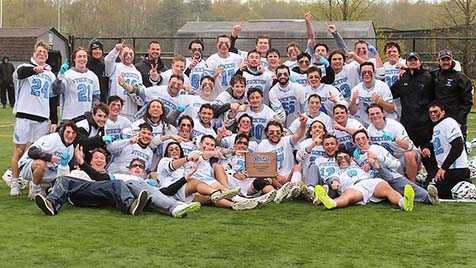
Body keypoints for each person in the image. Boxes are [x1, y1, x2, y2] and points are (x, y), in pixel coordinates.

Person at [34, 147, 149, 216]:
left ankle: (131, 206)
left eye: (102, 158)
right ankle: (51, 204)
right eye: (96, 158)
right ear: (91, 162)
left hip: (101, 197)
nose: (99, 160)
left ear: (105, 163)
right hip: (80, 196)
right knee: (64, 179)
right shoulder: (80, 172)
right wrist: (63, 165)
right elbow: (62, 180)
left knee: (118, 183)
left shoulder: (109, 176)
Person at [10, 40, 57, 196]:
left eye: (44, 52)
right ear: (33, 54)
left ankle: (35, 185)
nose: (42, 54)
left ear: (47, 56)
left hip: (42, 119)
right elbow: (20, 74)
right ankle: (15, 182)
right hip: (24, 116)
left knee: (38, 153)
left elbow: (52, 100)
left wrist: (54, 121)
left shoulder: (50, 75)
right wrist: (35, 70)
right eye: (39, 52)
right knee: (19, 151)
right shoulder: (24, 67)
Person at [158, 141, 260, 210]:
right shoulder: (164, 161)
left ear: (180, 151)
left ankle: (236, 205)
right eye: (171, 149)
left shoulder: (185, 166)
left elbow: (203, 156)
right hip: (170, 191)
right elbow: (172, 165)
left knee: (209, 198)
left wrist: (231, 152)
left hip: (182, 194)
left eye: (176, 149)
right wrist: (187, 159)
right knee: (194, 182)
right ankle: (235, 198)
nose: (174, 151)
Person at [314, 148, 415, 212]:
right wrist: (334, 182)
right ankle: (332, 203)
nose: (343, 159)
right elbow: (331, 180)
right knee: (348, 196)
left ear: (352, 159)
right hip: (353, 187)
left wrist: (372, 165)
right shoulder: (334, 173)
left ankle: (403, 203)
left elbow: (383, 175)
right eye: (339, 158)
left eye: (346, 157)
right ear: (336, 161)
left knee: (386, 188)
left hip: (368, 181)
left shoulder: (359, 167)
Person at [422, 101, 471, 198]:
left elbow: (458, 146)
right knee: (427, 187)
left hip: (455, 168)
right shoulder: (437, 127)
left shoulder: (448, 122)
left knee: (432, 191)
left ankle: (465, 184)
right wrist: (426, 148)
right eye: (431, 112)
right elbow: (434, 142)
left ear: (443, 112)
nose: (433, 114)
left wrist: (444, 168)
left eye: (435, 111)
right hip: (446, 169)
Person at [18, 121, 77, 199]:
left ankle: (44, 186)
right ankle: (35, 190)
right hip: (27, 166)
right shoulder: (52, 139)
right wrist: (49, 157)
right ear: (63, 131)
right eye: (68, 132)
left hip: (50, 172)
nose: (70, 135)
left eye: (73, 133)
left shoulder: (71, 148)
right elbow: (31, 152)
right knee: (41, 164)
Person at [390, 52, 434, 149]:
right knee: (409, 155)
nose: (413, 62)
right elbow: (391, 93)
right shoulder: (403, 77)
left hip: (424, 125)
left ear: (420, 62)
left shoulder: (428, 77)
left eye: (415, 60)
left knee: (428, 156)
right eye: (410, 60)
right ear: (406, 62)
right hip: (407, 124)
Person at [366, 104, 420, 182]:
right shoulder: (370, 130)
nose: (375, 116)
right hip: (388, 159)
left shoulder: (395, 125)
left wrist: (394, 139)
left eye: (377, 113)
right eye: (372, 114)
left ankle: (413, 184)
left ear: (383, 113)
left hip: (402, 156)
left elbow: (410, 146)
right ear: (368, 116)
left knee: (409, 155)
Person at [431, 49, 473, 141]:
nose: (446, 62)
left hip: (455, 120)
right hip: (439, 119)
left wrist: (459, 120)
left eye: (448, 60)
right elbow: (420, 74)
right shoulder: (434, 75)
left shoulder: (460, 78)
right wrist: (404, 70)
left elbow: (468, 102)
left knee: (457, 148)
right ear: (438, 61)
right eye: (443, 60)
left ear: (452, 61)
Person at [53, 47, 100, 122]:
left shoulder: (93, 76)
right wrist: (60, 75)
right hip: (69, 117)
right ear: (74, 59)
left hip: (86, 118)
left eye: (84, 56)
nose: (82, 59)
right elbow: (56, 90)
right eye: (79, 56)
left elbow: (96, 98)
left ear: (87, 59)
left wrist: (93, 113)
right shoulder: (67, 74)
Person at [104, 41, 143, 121]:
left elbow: (140, 93)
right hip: (116, 111)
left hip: (132, 112)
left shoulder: (137, 73)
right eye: (125, 54)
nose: (128, 56)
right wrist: (116, 50)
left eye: (131, 54)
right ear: (120, 55)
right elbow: (108, 60)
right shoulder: (115, 67)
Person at [349, 62, 396, 127]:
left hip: (384, 122)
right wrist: (354, 100)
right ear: (360, 74)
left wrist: (379, 101)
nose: (367, 74)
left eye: (369, 72)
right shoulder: (356, 89)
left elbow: (391, 109)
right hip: (366, 124)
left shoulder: (383, 86)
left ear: (374, 73)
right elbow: (352, 112)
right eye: (364, 72)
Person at [87, 38, 109, 103]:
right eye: (95, 49)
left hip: (103, 101)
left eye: (99, 49)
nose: (97, 51)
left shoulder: (105, 65)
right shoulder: (86, 64)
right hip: (89, 100)